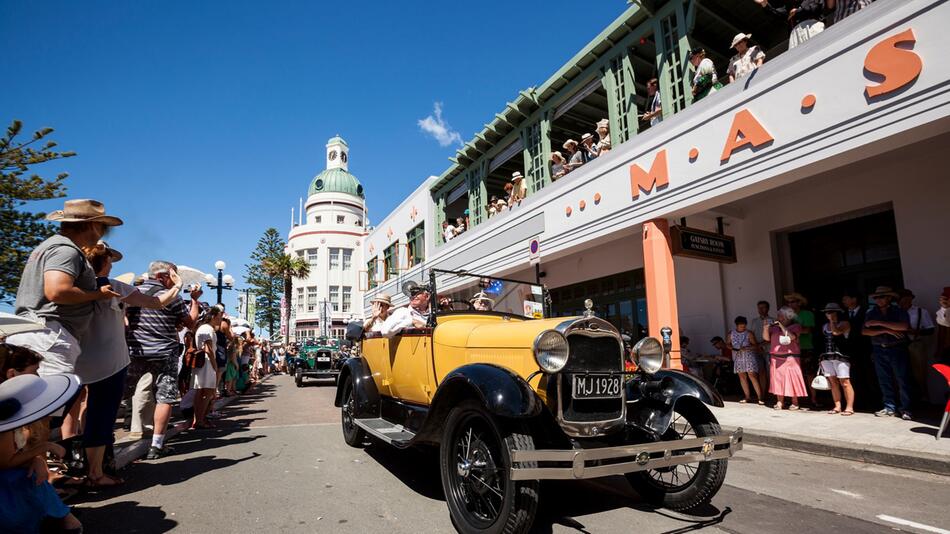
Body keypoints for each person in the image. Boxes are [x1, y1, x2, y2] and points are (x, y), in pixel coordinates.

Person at [6, 199, 124, 439]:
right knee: (48, 410)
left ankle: (39, 466)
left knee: (33, 408)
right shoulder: (67, 250)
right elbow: (56, 291)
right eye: (103, 227)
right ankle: (41, 469)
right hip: (51, 334)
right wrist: (96, 294)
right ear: (92, 226)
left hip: (38, 332)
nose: (102, 233)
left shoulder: (49, 246)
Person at [78, 241, 183, 487]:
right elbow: (159, 304)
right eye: (110, 261)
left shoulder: (77, 289)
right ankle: (99, 466)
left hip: (95, 355)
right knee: (159, 397)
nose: (113, 265)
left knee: (91, 406)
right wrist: (179, 286)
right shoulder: (116, 288)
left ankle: (85, 458)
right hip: (117, 357)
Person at [125, 260, 201, 459]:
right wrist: (194, 300)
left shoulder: (131, 293)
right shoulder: (172, 298)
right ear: (163, 276)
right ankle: (156, 445)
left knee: (121, 393)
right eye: (174, 275)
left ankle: (102, 443)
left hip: (135, 351)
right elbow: (191, 323)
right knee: (164, 398)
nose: (177, 280)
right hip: (164, 352)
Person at [0, 373, 84, 533]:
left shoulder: (14, 423)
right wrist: (42, 449)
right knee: (25, 477)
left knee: (33, 473)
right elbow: (5, 462)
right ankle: (62, 519)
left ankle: (61, 517)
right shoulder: (4, 427)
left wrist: (36, 459)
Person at [863, 286, 913, 419]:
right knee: (884, 379)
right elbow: (865, 330)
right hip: (879, 348)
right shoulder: (871, 312)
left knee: (902, 379)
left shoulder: (898, 311)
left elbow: (904, 327)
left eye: (882, 297)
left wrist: (879, 323)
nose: (878, 300)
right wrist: (887, 330)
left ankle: (906, 408)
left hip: (897, 347)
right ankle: (889, 407)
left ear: (889, 298)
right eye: (877, 297)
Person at [763, 306, 808, 410]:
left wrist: (781, 326)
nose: (778, 317)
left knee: (792, 379)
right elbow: (766, 338)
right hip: (776, 357)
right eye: (778, 315)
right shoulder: (774, 328)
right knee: (777, 380)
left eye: (781, 316)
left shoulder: (796, 326)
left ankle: (795, 402)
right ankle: (780, 402)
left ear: (788, 317)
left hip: (790, 358)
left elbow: (792, 337)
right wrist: (765, 328)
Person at [898, 289, 935, 400]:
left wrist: (914, 332)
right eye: (902, 298)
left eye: (907, 298)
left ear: (911, 299)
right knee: (901, 373)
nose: (905, 300)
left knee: (919, 373)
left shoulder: (920, 311)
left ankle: (924, 397)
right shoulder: (895, 312)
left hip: (915, 343)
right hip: (899, 345)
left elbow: (930, 329)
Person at [819, 303, 855, 416]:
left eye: (831, 312)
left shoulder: (845, 323)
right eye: (827, 312)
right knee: (833, 382)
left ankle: (849, 407)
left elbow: (836, 332)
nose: (828, 314)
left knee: (844, 381)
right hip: (827, 356)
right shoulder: (824, 326)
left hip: (841, 356)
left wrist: (833, 321)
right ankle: (837, 405)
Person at [784, 292, 818, 406]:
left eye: (792, 301)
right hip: (790, 349)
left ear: (799, 303)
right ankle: (796, 399)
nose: (790, 304)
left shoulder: (807, 314)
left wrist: (791, 330)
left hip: (806, 347)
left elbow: (807, 330)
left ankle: (814, 399)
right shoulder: (788, 315)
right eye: (788, 302)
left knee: (809, 374)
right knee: (793, 374)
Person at [192, 306, 223, 429]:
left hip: (202, 363)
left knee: (200, 392)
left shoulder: (203, 328)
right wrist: (215, 366)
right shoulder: (208, 329)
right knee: (207, 392)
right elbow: (208, 349)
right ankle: (200, 419)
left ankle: (198, 419)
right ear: (214, 317)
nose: (220, 320)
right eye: (219, 317)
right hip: (207, 363)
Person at [754, 0, 828, 49]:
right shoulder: (789, 5)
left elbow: (817, 6)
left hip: (812, 26)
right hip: (795, 34)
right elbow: (778, 14)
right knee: (797, 61)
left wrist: (798, 11)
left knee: (819, 50)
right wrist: (765, 4)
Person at [729, 316, 764, 404]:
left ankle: (760, 397)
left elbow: (755, 345)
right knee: (742, 376)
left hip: (749, 356)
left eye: (744, 326)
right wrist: (734, 348)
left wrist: (747, 347)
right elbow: (727, 344)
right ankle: (747, 396)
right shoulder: (731, 334)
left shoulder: (749, 333)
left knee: (752, 375)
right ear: (737, 325)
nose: (743, 328)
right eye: (741, 326)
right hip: (738, 357)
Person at [750, 300, 775, 398]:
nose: (760, 310)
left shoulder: (773, 320)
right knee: (761, 372)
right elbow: (751, 335)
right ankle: (763, 394)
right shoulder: (754, 321)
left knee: (771, 372)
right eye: (759, 308)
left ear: (768, 308)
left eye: (763, 307)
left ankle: (774, 394)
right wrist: (757, 346)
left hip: (770, 350)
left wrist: (760, 345)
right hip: (757, 351)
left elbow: (773, 336)